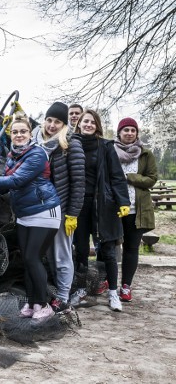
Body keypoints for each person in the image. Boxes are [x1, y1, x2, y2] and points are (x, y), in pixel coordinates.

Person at [0, 113, 61, 320]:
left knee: (33, 258)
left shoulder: (37, 154)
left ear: (30, 133)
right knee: (28, 260)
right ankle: (33, 302)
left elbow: (16, 181)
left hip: (44, 212)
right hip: (24, 215)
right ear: (10, 134)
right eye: (15, 132)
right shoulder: (12, 156)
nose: (19, 135)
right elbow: (2, 187)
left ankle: (44, 304)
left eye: (23, 131)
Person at [70, 109, 130, 312]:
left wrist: (123, 201)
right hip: (78, 205)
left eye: (92, 122)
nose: (88, 124)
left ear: (97, 126)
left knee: (108, 250)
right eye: (85, 121)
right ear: (79, 123)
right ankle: (80, 290)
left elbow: (116, 176)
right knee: (81, 249)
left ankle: (113, 292)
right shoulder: (71, 144)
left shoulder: (105, 146)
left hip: (102, 204)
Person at [31, 102, 85, 313]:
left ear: (64, 124)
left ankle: (63, 297)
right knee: (45, 255)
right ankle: (54, 292)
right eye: (50, 120)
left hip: (61, 210)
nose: (52, 125)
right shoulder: (36, 142)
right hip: (39, 209)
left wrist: (72, 213)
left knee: (61, 255)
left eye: (58, 122)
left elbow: (79, 182)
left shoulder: (70, 144)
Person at [114, 117, 158, 302]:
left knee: (131, 248)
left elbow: (151, 179)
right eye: (126, 130)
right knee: (108, 246)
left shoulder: (145, 154)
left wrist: (130, 177)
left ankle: (126, 286)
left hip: (136, 209)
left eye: (133, 130)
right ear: (119, 133)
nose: (130, 133)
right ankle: (106, 282)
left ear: (137, 133)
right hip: (114, 209)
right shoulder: (110, 151)